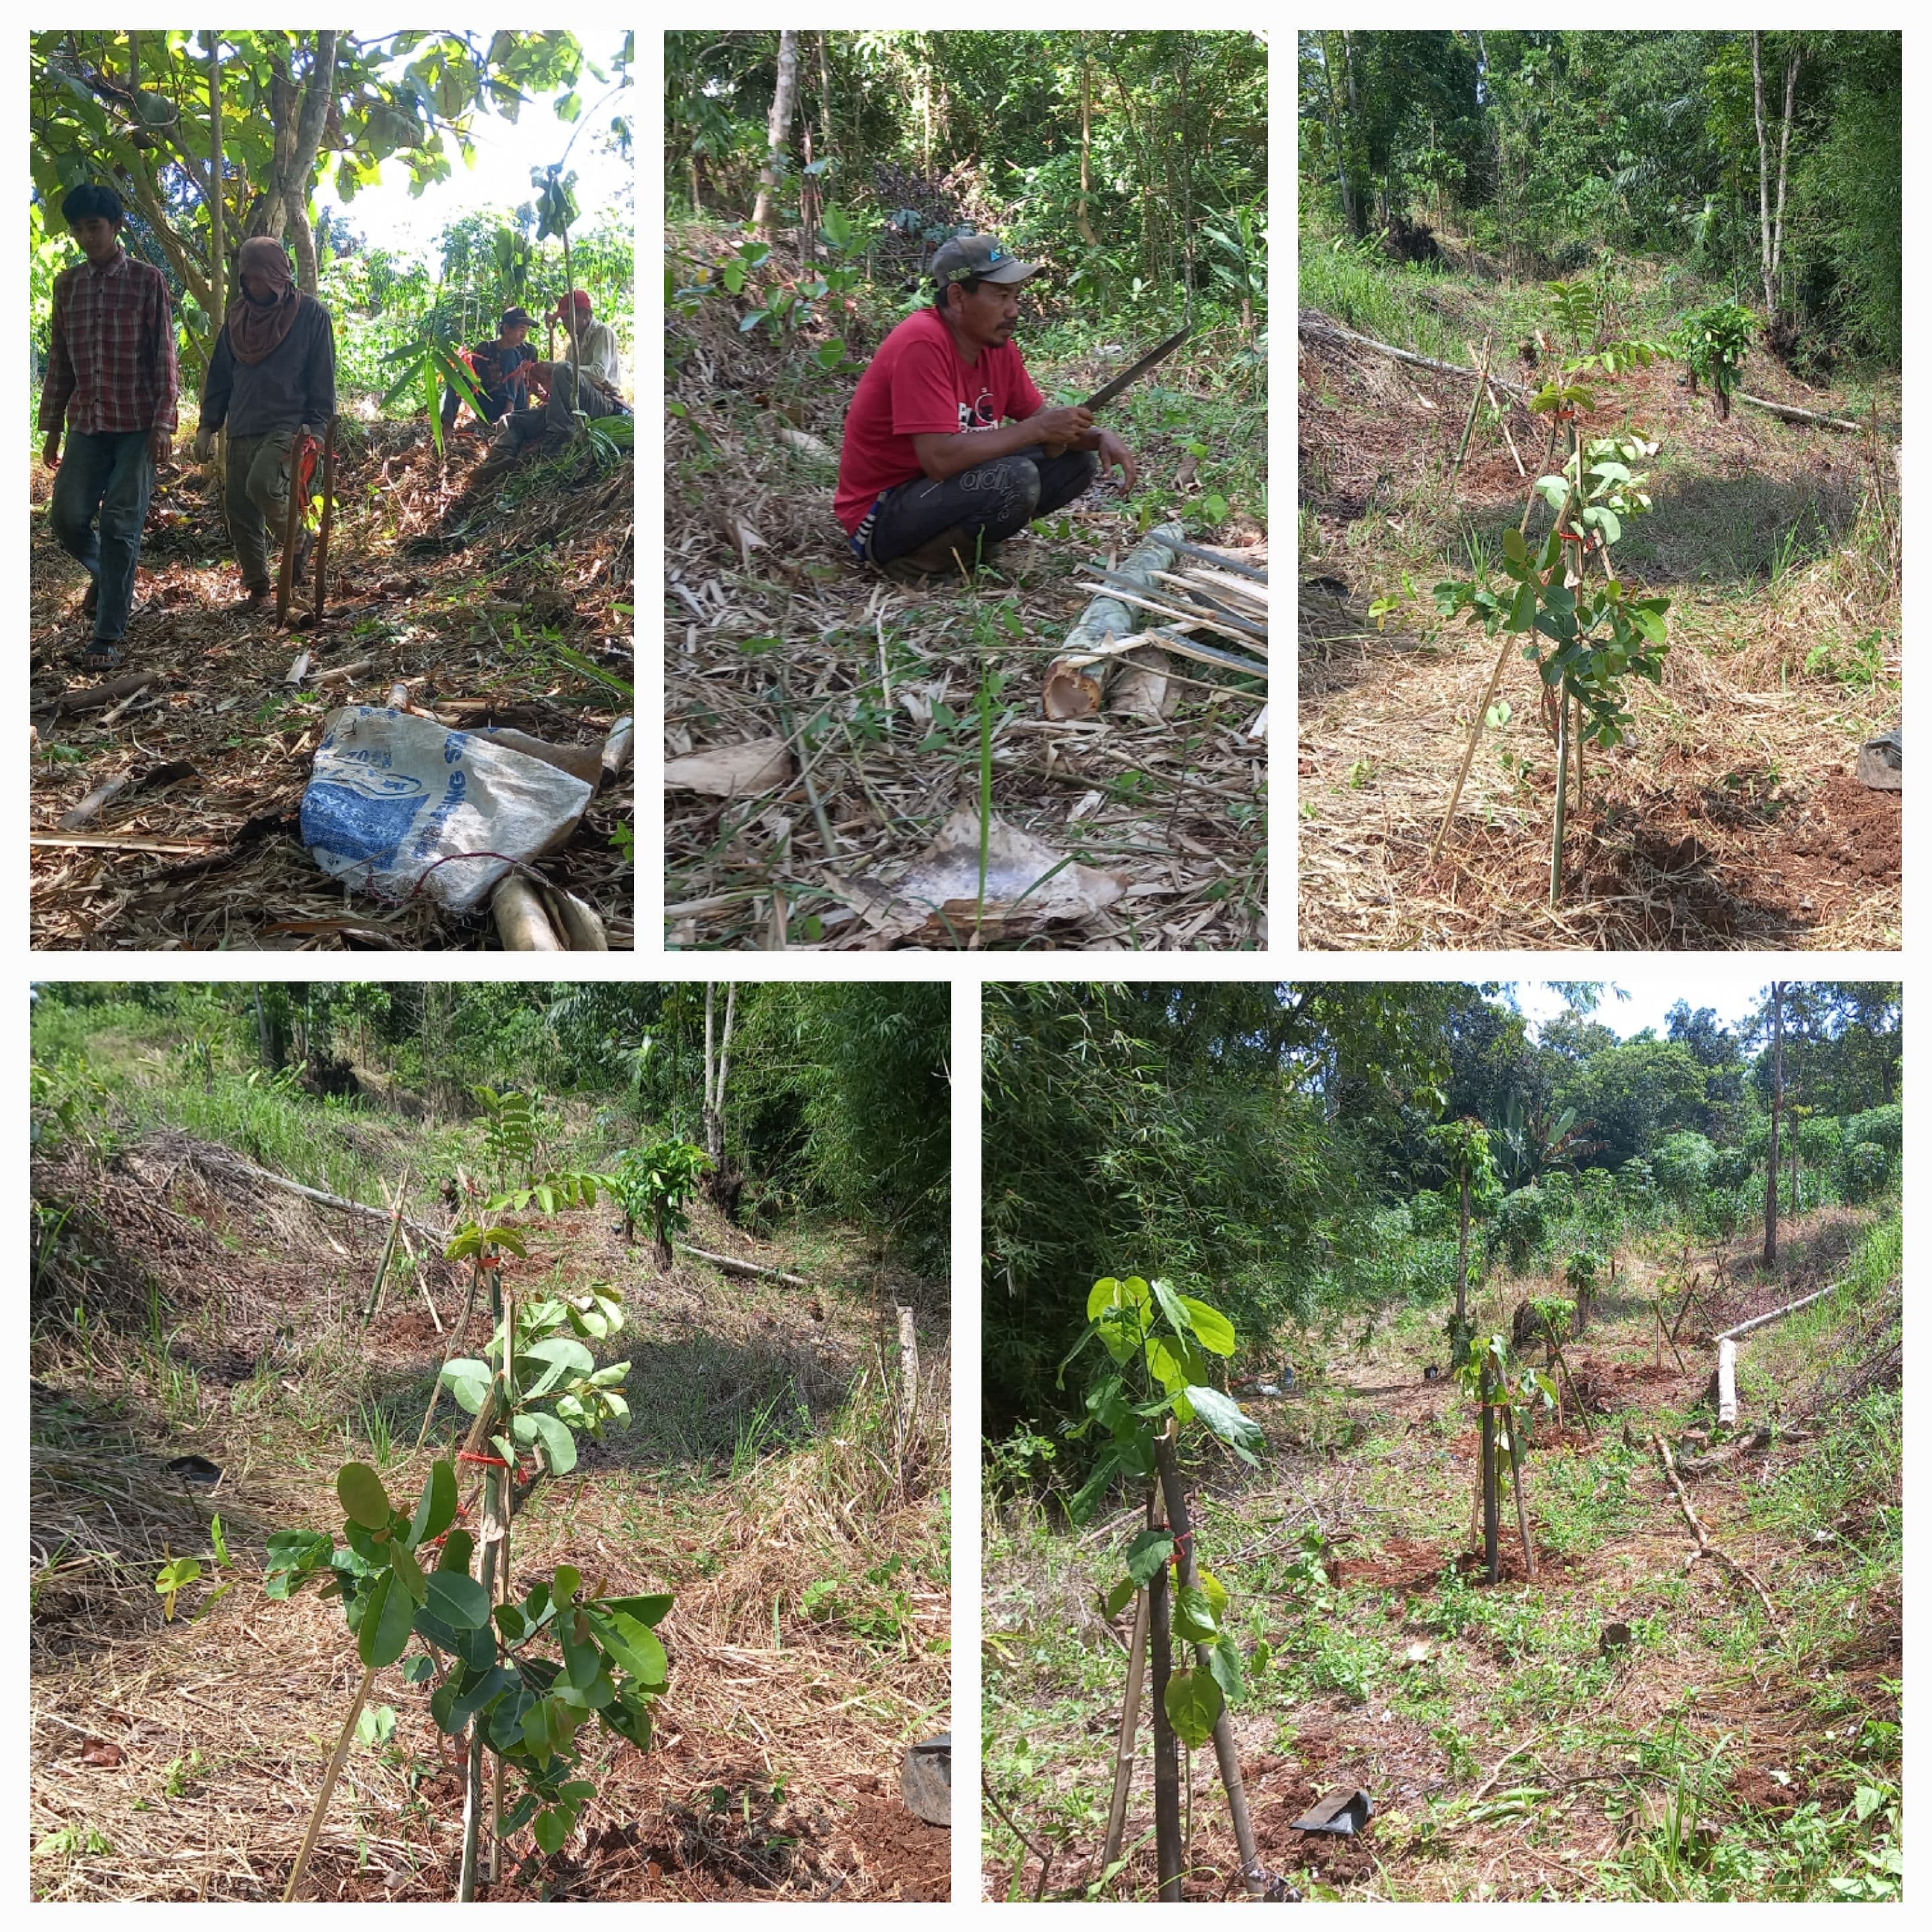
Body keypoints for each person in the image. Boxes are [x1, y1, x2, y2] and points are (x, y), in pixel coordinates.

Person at [835, 235, 1136, 584]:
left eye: (1016, 297)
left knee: (1073, 464)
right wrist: (1038, 430)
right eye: (1001, 296)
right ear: (958, 297)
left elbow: (1038, 420)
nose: (1014, 310)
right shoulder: (921, 344)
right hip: (883, 512)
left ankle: (965, 547)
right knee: (1012, 478)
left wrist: (1096, 436)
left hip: (941, 490)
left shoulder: (997, 348)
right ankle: (916, 565)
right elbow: (939, 460)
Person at [38, 182, 180, 669]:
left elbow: (164, 353)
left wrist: (164, 422)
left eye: (93, 227)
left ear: (116, 227)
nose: (85, 237)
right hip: (87, 422)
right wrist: (51, 427)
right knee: (67, 518)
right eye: (77, 229)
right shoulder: (68, 284)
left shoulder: (147, 280)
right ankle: (110, 574)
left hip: (137, 422)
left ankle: (107, 634)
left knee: (121, 524)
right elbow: (60, 360)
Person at [193, 236, 337, 611]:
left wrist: (318, 432)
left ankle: (299, 541)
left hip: (290, 425)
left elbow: (323, 379)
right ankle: (258, 590)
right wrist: (208, 426)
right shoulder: (238, 319)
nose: (254, 287)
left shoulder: (311, 315)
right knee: (239, 510)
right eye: (247, 279)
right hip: (242, 423)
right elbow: (221, 376)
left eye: (261, 278)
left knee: (263, 485)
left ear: (278, 275)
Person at [439, 305, 537, 436]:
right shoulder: (485, 349)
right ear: (507, 329)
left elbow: (533, 384)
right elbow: (469, 376)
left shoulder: (528, 351)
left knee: (511, 354)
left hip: (516, 409)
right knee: (459, 376)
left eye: (526, 330)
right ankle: (446, 426)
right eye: (521, 329)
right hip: (490, 405)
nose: (524, 335)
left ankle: (507, 415)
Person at [548, 289, 624, 392]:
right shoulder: (572, 347)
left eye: (569, 318)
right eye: (563, 319)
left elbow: (599, 373)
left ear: (586, 314)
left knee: (562, 368)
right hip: (583, 394)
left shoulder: (603, 333)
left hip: (605, 398)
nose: (565, 324)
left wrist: (563, 369)